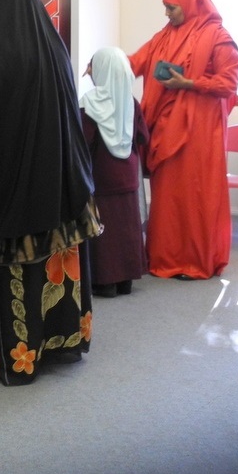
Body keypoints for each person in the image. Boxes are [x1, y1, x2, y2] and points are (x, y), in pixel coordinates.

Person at [0, 0, 101, 386]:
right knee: (56, 269)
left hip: (18, 195)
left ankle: (17, 355)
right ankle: (60, 341)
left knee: (19, 275)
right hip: (62, 187)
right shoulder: (53, 47)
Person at [129, 0, 238, 280]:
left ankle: (194, 261)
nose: (166, 14)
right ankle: (164, 258)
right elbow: (136, 61)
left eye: (171, 7)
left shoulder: (218, 36)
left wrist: (188, 83)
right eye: (165, 7)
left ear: (191, 5)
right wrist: (106, 64)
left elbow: (228, 83)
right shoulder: (164, 36)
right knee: (166, 197)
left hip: (201, 133)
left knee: (195, 196)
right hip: (166, 129)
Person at [80, 47, 150, 297]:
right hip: (128, 174)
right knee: (127, 227)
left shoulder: (90, 103)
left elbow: (83, 142)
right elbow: (142, 136)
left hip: (102, 174)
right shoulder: (131, 102)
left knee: (104, 229)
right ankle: (126, 280)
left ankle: (106, 282)